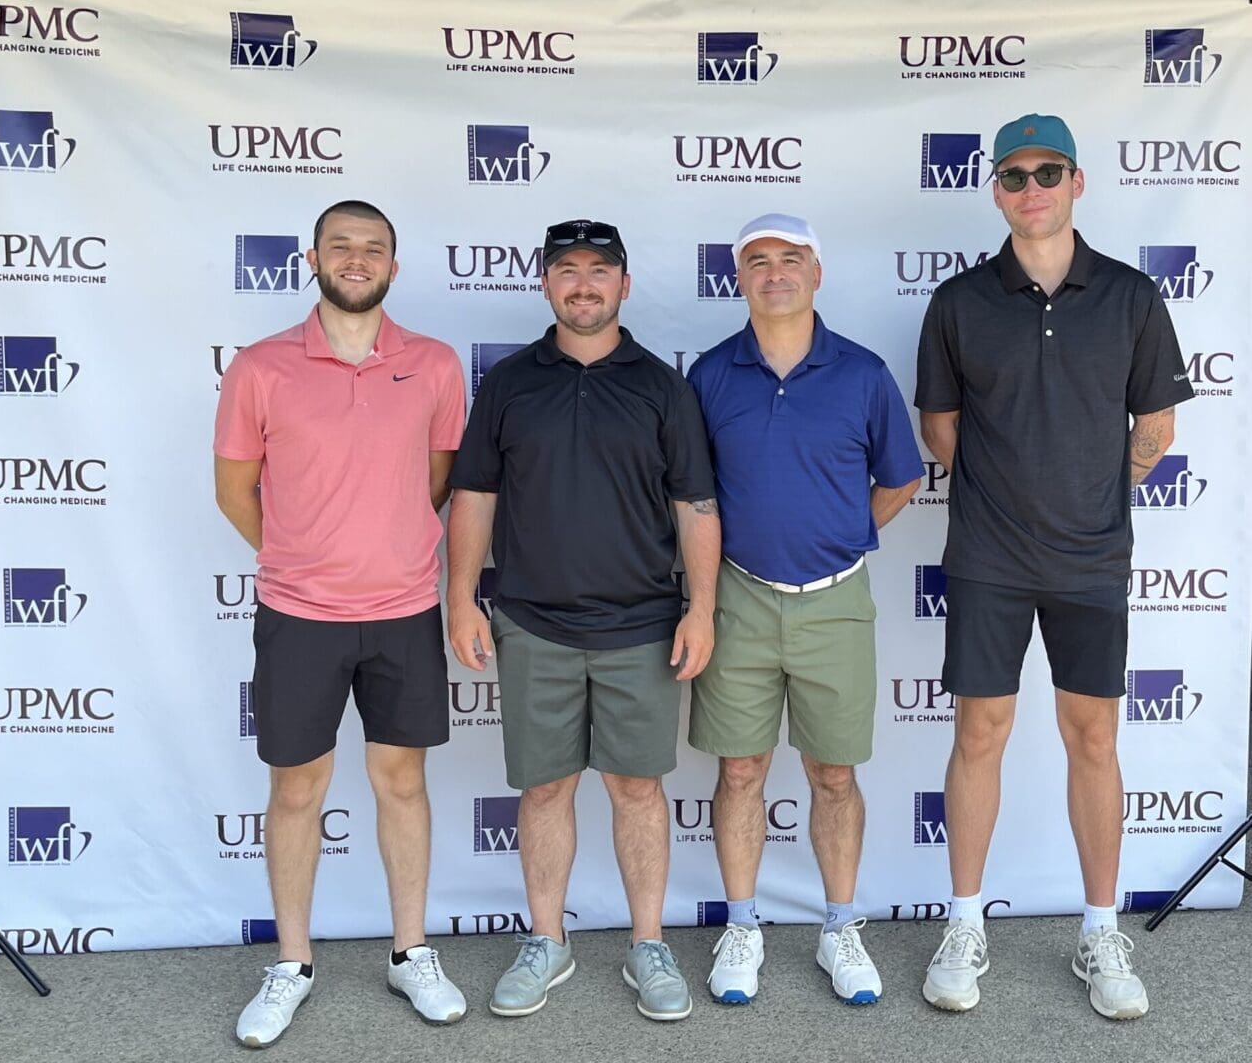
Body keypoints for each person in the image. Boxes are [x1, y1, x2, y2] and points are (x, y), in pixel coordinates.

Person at [915, 114, 1194, 1020]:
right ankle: (964, 924)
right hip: (990, 558)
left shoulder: (1130, 296)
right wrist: (1017, 495)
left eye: (1048, 171)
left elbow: (1156, 426)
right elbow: (941, 432)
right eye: (1013, 174)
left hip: (1091, 561)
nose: (1030, 188)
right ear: (995, 189)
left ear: (1078, 182)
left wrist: (1086, 490)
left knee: (1094, 740)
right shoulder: (958, 303)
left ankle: (1100, 931)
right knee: (980, 735)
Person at [446, 219, 721, 1022]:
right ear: (545, 284)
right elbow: (474, 496)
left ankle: (648, 946)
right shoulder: (507, 384)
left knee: (638, 788)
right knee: (545, 788)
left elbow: (695, 505)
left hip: (641, 624)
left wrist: (701, 608)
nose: (584, 284)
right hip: (533, 623)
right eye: (567, 270)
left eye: (600, 270)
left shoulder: (662, 387)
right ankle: (546, 942)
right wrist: (460, 596)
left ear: (625, 286)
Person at [214, 200, 468, 1047]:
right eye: (341, 247)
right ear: (313, 259)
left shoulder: (432, 365)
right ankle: (292, 962)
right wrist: (303, 555)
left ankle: (410, 951)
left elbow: (435, 481)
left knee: (403, 784)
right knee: (297, 790)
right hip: (298, 616)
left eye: (374, 249)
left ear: (395, 265)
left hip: (403, 612)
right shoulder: (259, 367)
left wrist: (381, 548)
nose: (356, 260)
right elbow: (233, 491)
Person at [685, 213, 922, 1006]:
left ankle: (840, 929)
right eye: (757, 260)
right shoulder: (711, 376)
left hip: (836, 601)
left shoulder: (861, 373)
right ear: (738, 278)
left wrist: (845, 536)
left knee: (833, 773)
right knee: (742, 768)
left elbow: (900, 478)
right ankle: (743, 926)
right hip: (740, 596)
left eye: (792, 259)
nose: (775, 272)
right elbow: (690, 496)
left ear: (817, 274)